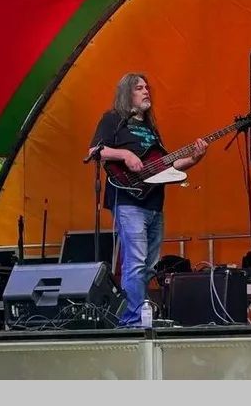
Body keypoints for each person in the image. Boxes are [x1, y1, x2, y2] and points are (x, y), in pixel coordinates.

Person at [89, 73, 208, 326]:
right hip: (129, 201)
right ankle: (132, 320)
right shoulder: (113, 119)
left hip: (154, 203)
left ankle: (139, 315)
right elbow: (95, 151)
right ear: (127, 93)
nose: (146, 91)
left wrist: (194, 159)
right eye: (139, 88)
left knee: (150, 265)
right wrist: (125, 155)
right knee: (135, 262)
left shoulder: (150, 128)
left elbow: (165, 164)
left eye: (147, 87)